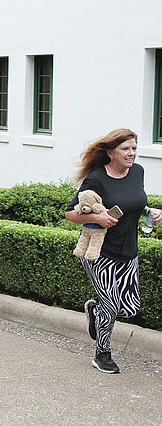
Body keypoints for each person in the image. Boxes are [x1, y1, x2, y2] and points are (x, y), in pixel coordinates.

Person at [64, 128, 161, 374]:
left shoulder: (137, 172)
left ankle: (94, 311)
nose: (131, 154)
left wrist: (149, 211)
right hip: (100, 253)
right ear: (110, 152)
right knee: (111, 304)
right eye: (125, 149)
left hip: (128, 252)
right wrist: (98, 215)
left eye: (134, 148)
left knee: (129, 308)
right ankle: (102, 354)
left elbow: (134, 201)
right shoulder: (97, 178)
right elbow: (71, 213)